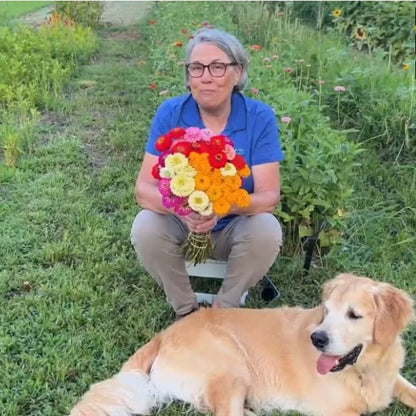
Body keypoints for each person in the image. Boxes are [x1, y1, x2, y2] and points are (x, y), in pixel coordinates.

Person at [131, 28, 283, 320]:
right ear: (188, 76)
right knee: (145, 226)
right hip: (181, 224)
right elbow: (143, 190)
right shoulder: (170, 113)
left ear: (237, 73)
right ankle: (186, 312)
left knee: (267, 229)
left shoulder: (259, 117)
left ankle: (222, 313)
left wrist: (220, 207)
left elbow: (268, 197)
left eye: (218, 66)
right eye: (197, 68)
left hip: (233, 228)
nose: (206, 76)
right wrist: (185, 210)